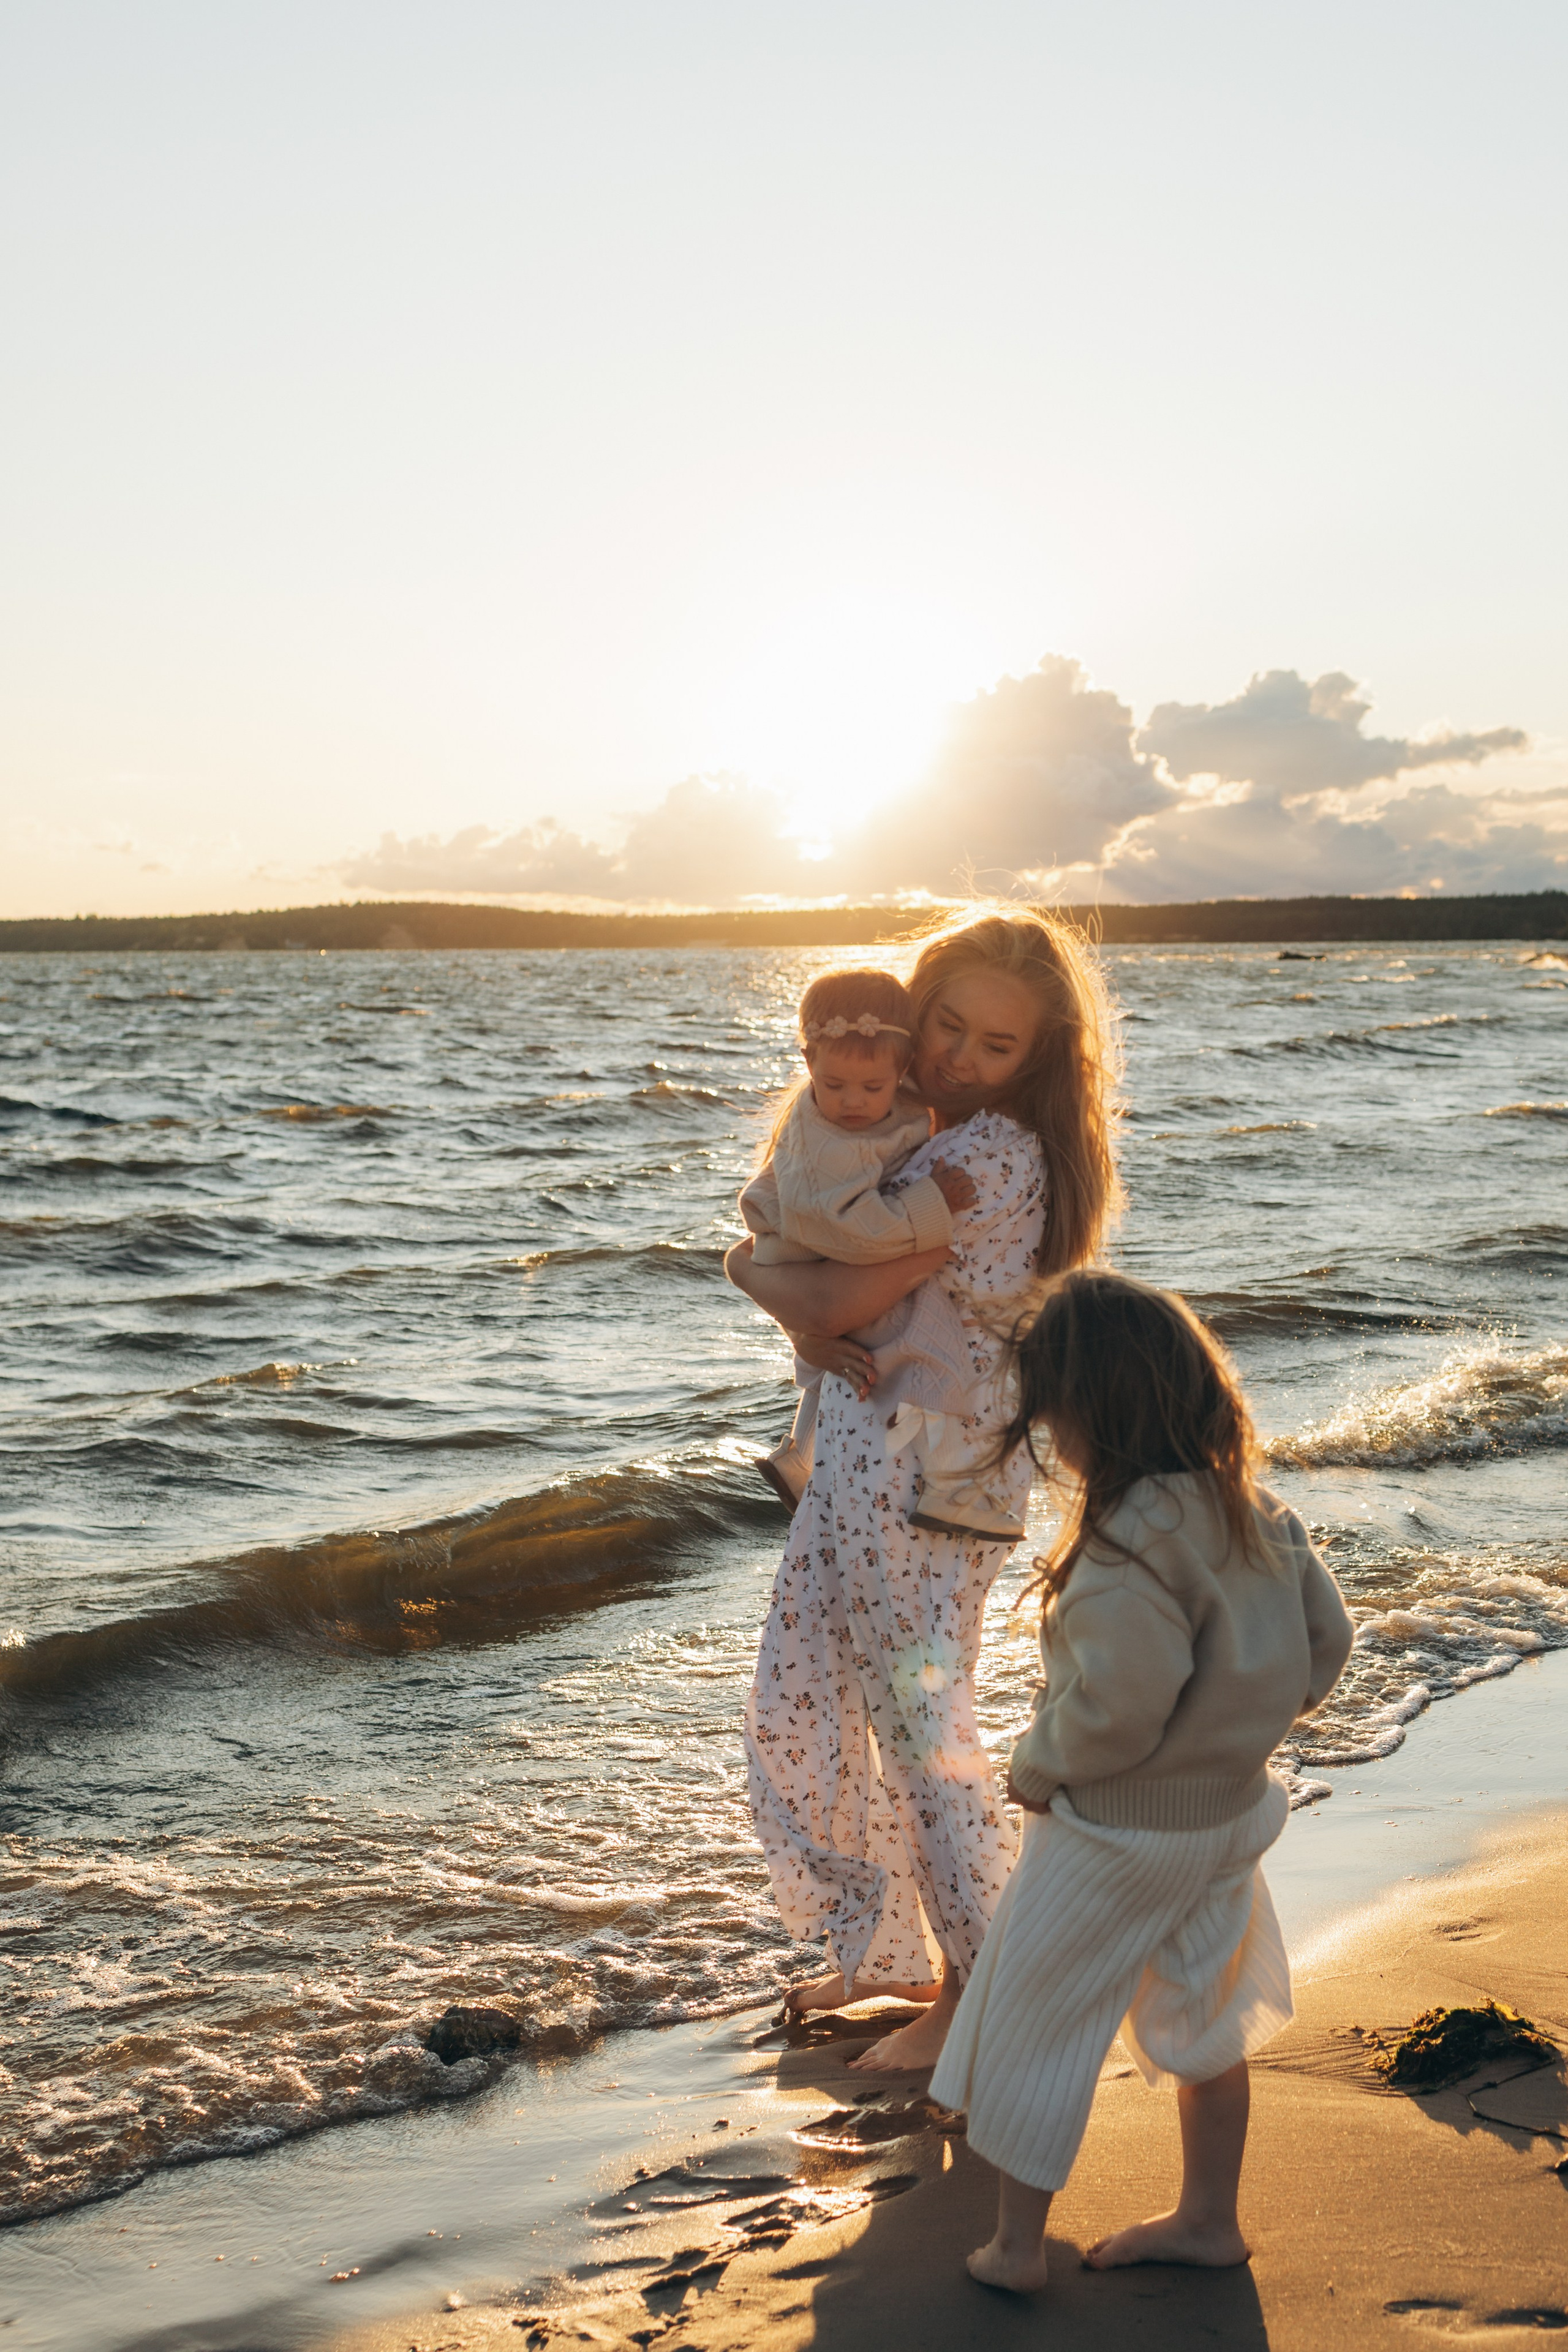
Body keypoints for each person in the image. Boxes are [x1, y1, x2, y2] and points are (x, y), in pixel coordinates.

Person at [725, 907, 1120, 2069]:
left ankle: (980, 1994)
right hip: (868, 1457)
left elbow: (831, 1302)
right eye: (944, 1022)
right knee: (807, 1689)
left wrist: (745, 1263)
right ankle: (898, 1952)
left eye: (994, 1046)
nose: (958, 1055)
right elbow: (821, 1257)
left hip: (924, 1479)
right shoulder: (905, 1127)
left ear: (1036, 1060)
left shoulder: (977, 1156)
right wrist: (777, 1265)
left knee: (920, 1725)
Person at [927, 1270, 1354, 2292]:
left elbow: (1119, 1709)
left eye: (1054, 1415)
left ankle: (1017, 2249)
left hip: (1112, 1836)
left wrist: (1037, 1767)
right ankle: (1209, 2218)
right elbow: (1326, 1647)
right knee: (1207, 2018)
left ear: (1089, 1416)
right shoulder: (1259, 1512)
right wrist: (1238, 1728)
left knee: (1038, 2016)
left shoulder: (1130, 1545)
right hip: (1223, 1822)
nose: (1053, 1442)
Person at [739, 964, 1020, 1540]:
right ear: (808, 1062)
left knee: (836, 1364)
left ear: (903, 1067)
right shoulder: (828, 1143)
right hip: (798, 1248)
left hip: (815, 1245)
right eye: (834, 1085)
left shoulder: (897, 1091)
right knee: (892, 1346)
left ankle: (799, 1456)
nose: (852, 1103)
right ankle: (943, 1481)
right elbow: (852, 1233)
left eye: (873, 1089)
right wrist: (932, 1208)